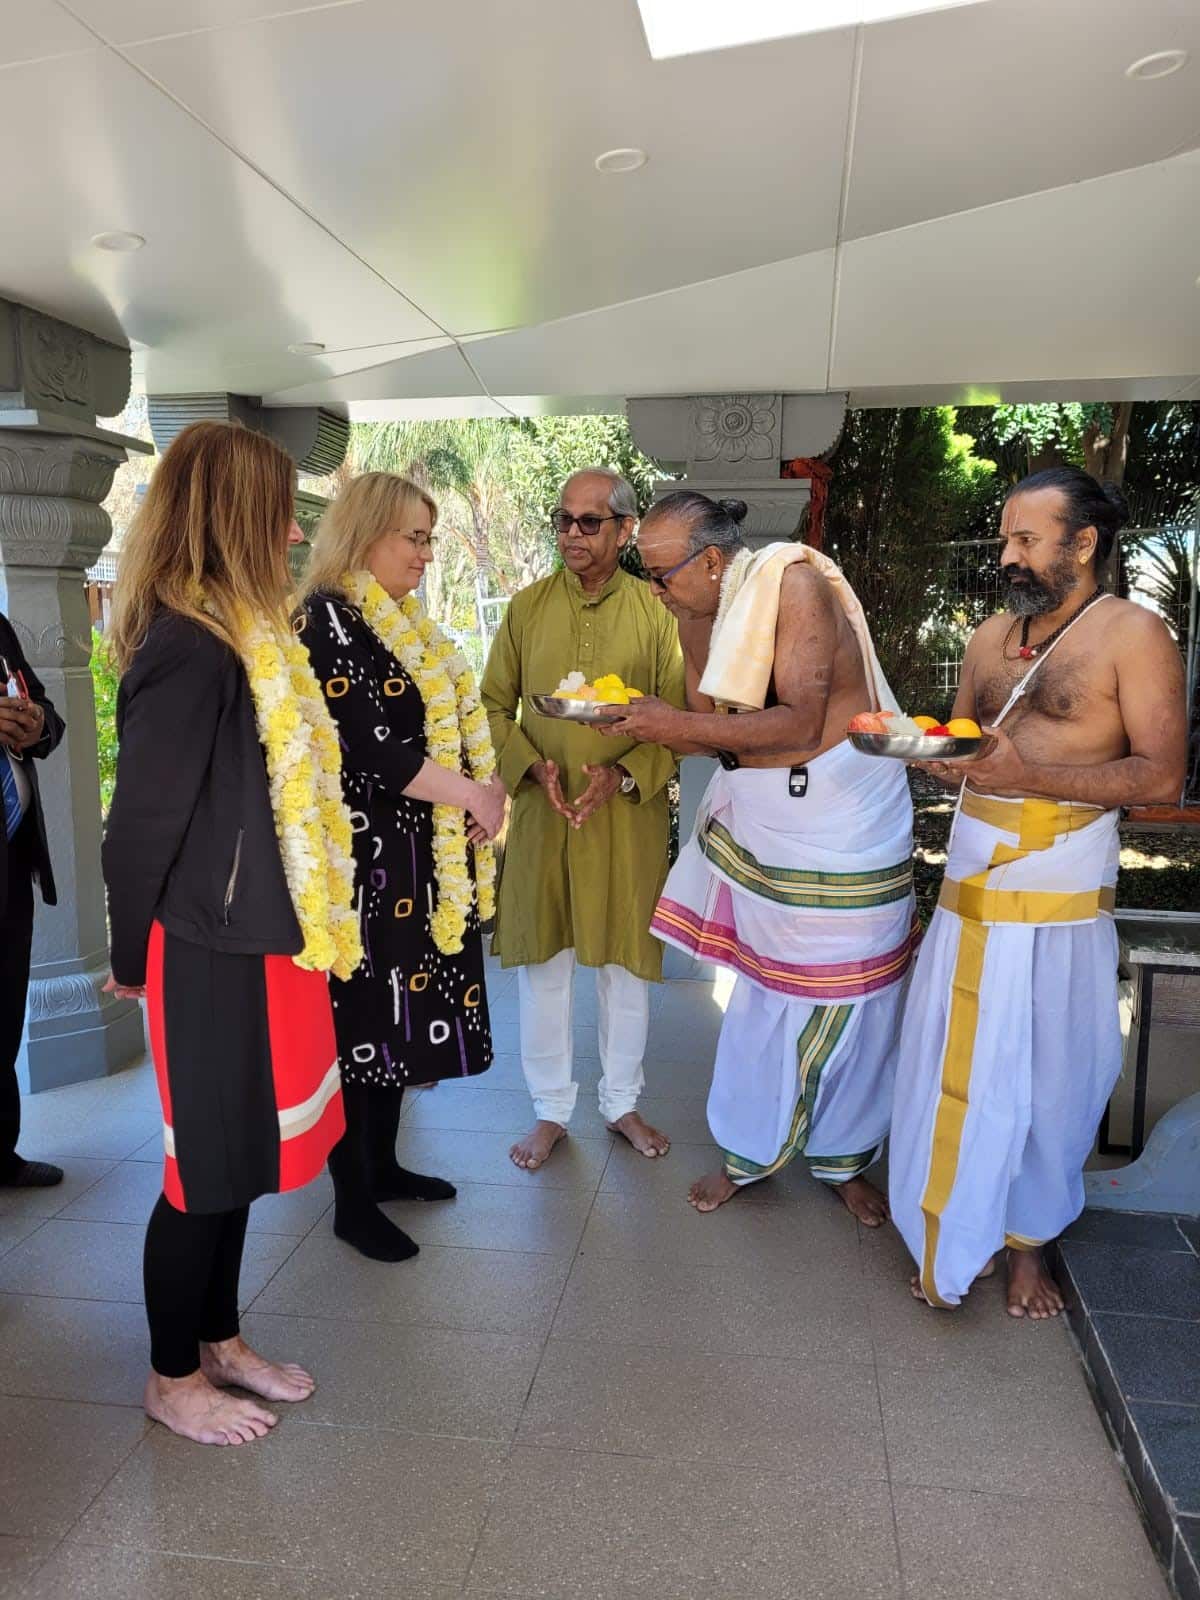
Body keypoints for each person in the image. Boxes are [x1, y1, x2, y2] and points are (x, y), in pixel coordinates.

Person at [103, 420, 361, 1445]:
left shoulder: (247, 635)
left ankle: (218, 1339)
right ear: (233, 518)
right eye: (281, 515)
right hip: (205, 947)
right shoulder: (187, 645)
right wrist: (131, 958)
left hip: (262, 940)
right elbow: (139, 826)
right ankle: (171, 1378)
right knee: (200, 1171)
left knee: (243, 1156)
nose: (295, 537)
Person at [888, 467, 1188, 1318]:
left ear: (1082, 543)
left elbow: (1161, 775)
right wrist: (938, 759)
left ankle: (1028, 1244)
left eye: (1027, 539)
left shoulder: (1135, 634)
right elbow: (965, 745)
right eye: (1005, 539)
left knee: (1052, 1077)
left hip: (1058, 896)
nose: (1008, 556)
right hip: (971, 883)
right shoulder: (990, 636)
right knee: (951, 1067)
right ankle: (953, 1226)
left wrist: (1030, 776)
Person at [609, 491, 917, 1225]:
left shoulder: (796, 586)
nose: (654, 591)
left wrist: (669, 723)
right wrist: (636, 726)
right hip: (765, 823)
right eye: (647, 575)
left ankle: (844, 1159)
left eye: (661, 575)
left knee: (858, 1001)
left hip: (844, 818)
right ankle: (748, 1154)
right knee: (761, 995)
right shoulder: (693, 610)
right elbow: (711, 728)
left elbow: (800, 723)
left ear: (713, 560)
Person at [301, 473, 504, 1262]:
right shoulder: (327, 619)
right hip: (365, 871)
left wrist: (481, 791)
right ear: (364, 535)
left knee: (397, 1026)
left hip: (417, 864)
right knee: (362, 1030)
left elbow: (439, 732)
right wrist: (475, 796)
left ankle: (383, 1168)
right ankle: (352, 1202)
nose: (425, 555)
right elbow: (374, 751)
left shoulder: (401, 620)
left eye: (429, 539)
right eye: (412, 538)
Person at [481, 468, 685, 1171]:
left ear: (625, 530)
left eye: (589, 521)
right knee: (544, 964)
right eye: (563, 519)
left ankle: (621, 1102)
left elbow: (680, 720)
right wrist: (527, 766)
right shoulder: (527, 607)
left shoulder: (657, 613)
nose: (571, 533)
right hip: (545, 812)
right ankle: (549, 1110)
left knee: (625, 965)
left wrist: (624, 775)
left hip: (625, 816)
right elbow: (492, 705)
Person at [1, 611, 66, 1189]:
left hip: (13, 856)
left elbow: (46, 712)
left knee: (5, 1012)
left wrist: (36, 722)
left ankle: (2, 1152)